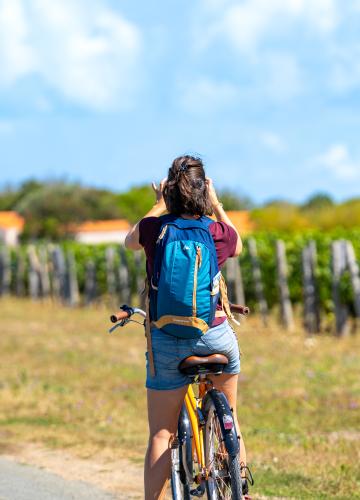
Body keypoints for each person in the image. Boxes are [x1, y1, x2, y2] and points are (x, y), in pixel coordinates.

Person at [125, 155, 248, 500]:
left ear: (170, 191)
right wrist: (217, 203)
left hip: (168, 339)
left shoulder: (155, 229)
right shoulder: (215, 231)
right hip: (215, 334)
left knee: (161, 433)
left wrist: (156, 204)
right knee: (231, 417)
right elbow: (237, 244)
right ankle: (235, 483)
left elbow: (129, 241)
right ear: (202, 190)